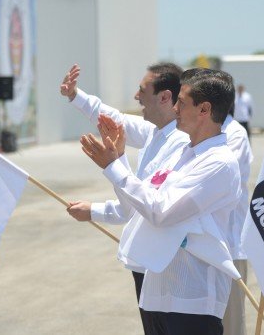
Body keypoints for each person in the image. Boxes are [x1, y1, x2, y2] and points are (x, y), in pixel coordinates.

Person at [80, 68, 241, 335]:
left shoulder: (219, 163)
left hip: (192, 301)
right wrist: (119, 158)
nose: (175, 108)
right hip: (158, 293)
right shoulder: (181, 151)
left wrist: (113, 167)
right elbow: (137, 206)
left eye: (182, 102)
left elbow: (161, 211)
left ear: (204, 110)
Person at [60, 63, 190, 333]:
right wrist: (76, 96)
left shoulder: (180, 143)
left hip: (165, 268)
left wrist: (114, 162)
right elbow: (112, 118)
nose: (136, 97)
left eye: (143, 90)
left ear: (165, 97)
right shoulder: (156, 134)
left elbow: (145, 206)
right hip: (148, 265)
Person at [216, 72, 253, 335]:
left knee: (230, 325)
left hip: (229, 247)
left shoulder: (234, 134)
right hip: (205, 250)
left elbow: (219, 186)